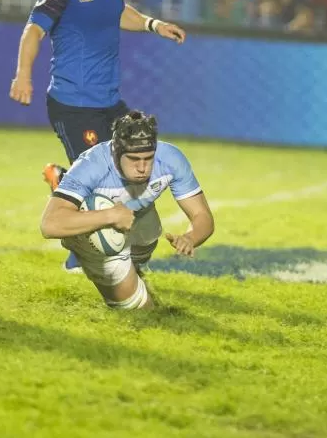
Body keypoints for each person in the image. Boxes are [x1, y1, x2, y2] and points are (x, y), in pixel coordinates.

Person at [9, 0, 186, 273]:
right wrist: (23, 75)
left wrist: (153, 24)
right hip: (73, 106)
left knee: (136, 173)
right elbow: (34, 30)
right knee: (103, 187)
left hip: (110, 104)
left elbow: (117, 12)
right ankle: (82, 248)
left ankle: (63, 176)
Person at [39, 111, 214, 310]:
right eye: (133, 159)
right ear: (116, 154)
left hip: (136, 215)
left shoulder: (170, 159)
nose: (142, 168)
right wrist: (110, 215)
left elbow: (202, 215)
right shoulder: (92, 165)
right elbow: (49, 224)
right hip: (92, 230)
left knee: (150, 232)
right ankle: (64, 190)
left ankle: (131, 267)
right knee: (139, 309)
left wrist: (191, 238)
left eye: (148, 158)